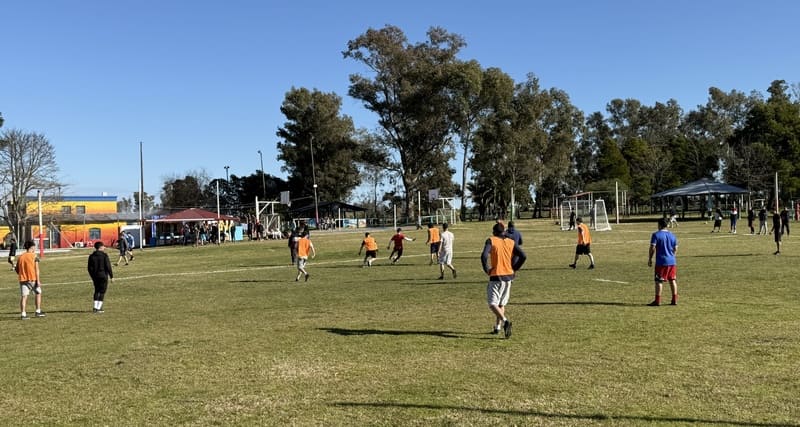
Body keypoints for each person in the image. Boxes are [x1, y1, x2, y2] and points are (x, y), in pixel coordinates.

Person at [481, 222, 526, 338]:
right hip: (509, 277)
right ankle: (497, 327)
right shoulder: (510, 242)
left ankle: (505, 321)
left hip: (497, 276)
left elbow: (484, 256)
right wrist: (514, 268)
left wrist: (487, 269)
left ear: (494, 232)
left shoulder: (491, 240)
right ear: (504, 232)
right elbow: (523, 256)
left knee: (492, 303)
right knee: (501, 303)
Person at [648, 218, 678, 306]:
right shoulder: (672, 235)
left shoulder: (656, 235)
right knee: (672, 280)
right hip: (672, 261)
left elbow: (652, 247)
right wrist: (672, 256)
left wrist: (650, 258)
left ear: (659, 225)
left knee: (659, 281)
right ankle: (674, 299)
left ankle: (657, 301)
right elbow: (675, 248)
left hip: (661, 262)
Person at [16, 240, 45, 320]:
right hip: (32, 278)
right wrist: (38, 280)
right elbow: (37, 269)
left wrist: (22, 274)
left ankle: (23, 314)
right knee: (38, 293)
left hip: (22, 279)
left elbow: (17, 269)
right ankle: (38, 311)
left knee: (24, 296)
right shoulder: (34, 256)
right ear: (32, 247)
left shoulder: (21, 257)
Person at [87, 241, 114, 313]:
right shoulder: (104, 255)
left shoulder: (91, 256)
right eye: (103, 246)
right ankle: (98, 308)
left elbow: (89, 268)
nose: (104, 247)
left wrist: (92, 276)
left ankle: (95, 307)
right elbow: (108, 266)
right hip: (103, 275)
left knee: (96, 291)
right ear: (100, 247)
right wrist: (111, 276)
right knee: (102, 291)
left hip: (95, 276)